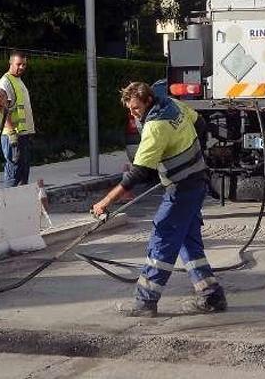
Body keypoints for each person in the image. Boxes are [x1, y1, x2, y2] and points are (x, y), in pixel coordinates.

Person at [91, 82, 227, 317]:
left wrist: (106, 201)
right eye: (129, 109)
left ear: (148, 102)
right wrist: (192, 157)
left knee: (163, 237)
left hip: (182, 189)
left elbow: (138, 173)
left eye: (135, 108)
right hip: (196, 181)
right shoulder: (173, 105)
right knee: (187, 241)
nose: (132, 113)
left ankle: (146, 301)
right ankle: (212, 296)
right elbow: (200, 124)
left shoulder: (156, 126)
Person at [0, 51, 36, 187]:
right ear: (10, 63)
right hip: (13, 136)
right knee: (14, 170)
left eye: (24, 65)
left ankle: (21, 201)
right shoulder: (5, 82)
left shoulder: (18, 80)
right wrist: (11, 132)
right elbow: (3, 109)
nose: (21, 67)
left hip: (22, 134)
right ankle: (9, 201)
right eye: (18, 64)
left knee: (23, 170)